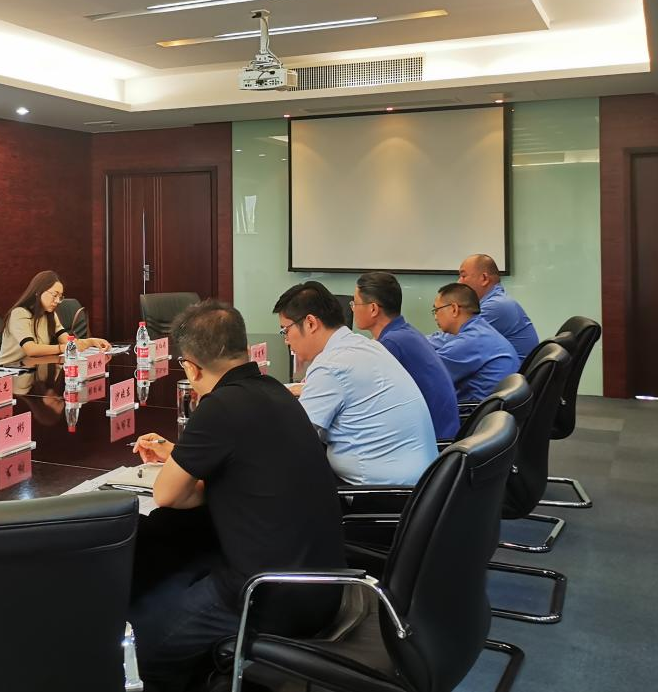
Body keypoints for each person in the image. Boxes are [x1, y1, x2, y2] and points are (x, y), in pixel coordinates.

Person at [130, 300, 344, 692]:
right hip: (322, 580)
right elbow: (244, 473)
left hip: (268, 594)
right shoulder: (277, 392)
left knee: (149, 644)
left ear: (191, 368)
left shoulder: (220, 406)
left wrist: (187, 474)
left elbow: (167, 495)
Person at [275, 281, 437, 485]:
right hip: (420, 482)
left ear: (310, 323)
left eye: (285, 330)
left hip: (381, 492)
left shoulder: (331, 365)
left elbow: (295, 437)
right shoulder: (364, 346)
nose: (286, 340)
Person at [351, 272, 460, 439]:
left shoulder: (391, 344)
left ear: (373, 309)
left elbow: (364, 399)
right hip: (438, 433)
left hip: (430, 441)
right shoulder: (404, 333)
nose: (352, 309)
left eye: (355, 303)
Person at [428, 283, 519, 402]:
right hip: (489, 408)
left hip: (471, 411)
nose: (435, 317)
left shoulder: (471, 340)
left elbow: (427, 374)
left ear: (454, 309)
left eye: (436, 310)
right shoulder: (480, 330)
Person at [0, 270, 109, 365]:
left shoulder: (50, 314)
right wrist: (63, 348)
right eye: (54, 295)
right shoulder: (19, 313)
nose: (57, 301)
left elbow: (68, 341)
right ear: (38, 292)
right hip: (10, 371)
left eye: (60, 297)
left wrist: (91, 342)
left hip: (35, 367)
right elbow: (31, 349)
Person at [458, 254, 539, 365]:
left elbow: (457, 342)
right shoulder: (494, 301)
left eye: (463, 276)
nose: (459, 282)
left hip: (512, 374)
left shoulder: (495, 306)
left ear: (484, 279)